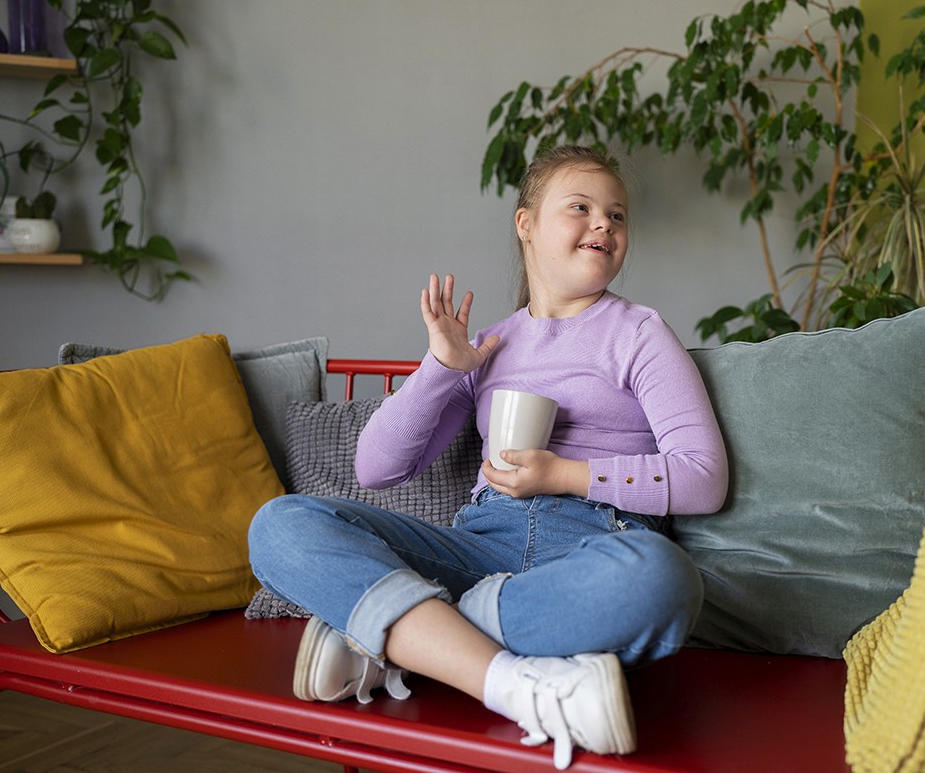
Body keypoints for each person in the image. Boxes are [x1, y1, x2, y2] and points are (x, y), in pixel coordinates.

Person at [248, 145, 728, 769]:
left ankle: (414, 638)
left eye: (617, 214)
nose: (604, 224)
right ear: (526, 224)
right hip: (476, 549)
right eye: (580, 207)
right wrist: (442, 367)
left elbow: (703, 477)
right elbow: (377, 468)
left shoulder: (640, 333)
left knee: (665, 579)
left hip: (589, 551)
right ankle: (507, 680)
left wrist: (563, 474)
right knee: (279, 524)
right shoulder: (488, 348)